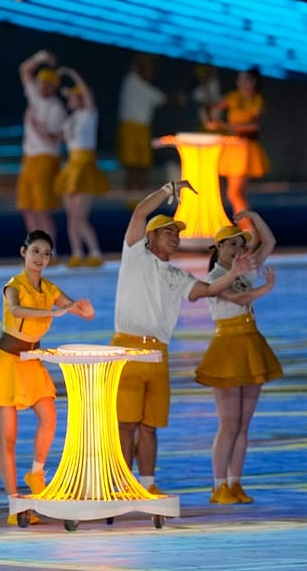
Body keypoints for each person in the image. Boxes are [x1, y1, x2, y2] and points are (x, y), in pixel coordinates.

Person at [111, 181, 254, 493]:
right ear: (150, 238)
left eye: (177, 234)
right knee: (125, 424)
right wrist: (168, 189)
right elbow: (140, 211)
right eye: (169, 232)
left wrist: (231, 274)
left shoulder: (178, 276)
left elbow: (206, 290)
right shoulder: (136, 255)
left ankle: (147, 485)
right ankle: (122, 484)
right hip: (127, 349)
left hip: (158, 353)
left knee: (150, 425)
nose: (176, 238)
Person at [0, 230, 94, 525]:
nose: (40, 258)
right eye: (35, 251)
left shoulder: (49, 287)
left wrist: (83, 309)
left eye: (46, 254)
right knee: (8, 438)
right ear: (24, 252)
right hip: (6, 364)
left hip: (32, 362)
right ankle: (14, 504)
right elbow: (15, 308)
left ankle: (36, 472)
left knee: (49, 415)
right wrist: (56, 311)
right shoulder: (14, 286)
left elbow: (75, 308)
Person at [195, 211, 281, 505]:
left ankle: (235, 483)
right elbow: (237, 298)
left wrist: (254, 217)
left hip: (250, 344)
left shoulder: (244, 272)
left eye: (240, 245)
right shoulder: (214, 278)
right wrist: (266, 289)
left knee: (244, 424)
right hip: (228, 348)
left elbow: (269, 241)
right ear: (218, 247)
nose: (237, 250)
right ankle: (218, 485)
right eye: (230, 244)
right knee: (229, 423)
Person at [54, 67, 108, 267]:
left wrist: (71, 74)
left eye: (73, 97)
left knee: (80, 216)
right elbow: (61, 138)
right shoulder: (69, 120)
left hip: (85, 165)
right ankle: (77, 252)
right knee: (71, 215)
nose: (70, 100)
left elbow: (87, 94)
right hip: (72, 166)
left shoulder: (89, 114)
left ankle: (95, 252)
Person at [205, 67, 269, 221]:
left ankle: (248, 225)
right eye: (240, 80)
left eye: (246, 80)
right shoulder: (233, 97)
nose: (241, 83)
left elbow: (255, 125)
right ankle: (247, 225)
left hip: (246, 147)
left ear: (253, 82)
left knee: (234, 192)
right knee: (235, 192)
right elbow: (211, 109)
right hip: (233, 147)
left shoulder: (257, 100)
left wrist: (229, 126)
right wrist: (213, 122)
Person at [17, 50, 66, 242]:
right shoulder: (35, 98)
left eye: (48, 84)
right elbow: (24, 69)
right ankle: (34, 247)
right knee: (27, 207)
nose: (43, 87)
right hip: (29, 159)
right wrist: (42, 57)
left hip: (46, 159)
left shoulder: (56, 108)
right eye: (41, 83)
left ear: (54, 87)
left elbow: (55, 140)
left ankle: (48, 250)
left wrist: (36, 128)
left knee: (42, 209)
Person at [116, 54, 168, 192]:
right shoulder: (131, 81)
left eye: (151, 70)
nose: (149, 72)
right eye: (146, 69)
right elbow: (137, 62)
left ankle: (140, 194)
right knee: (131, 163)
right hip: (129, 127)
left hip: (143, 129)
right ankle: (130, 193)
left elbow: (164, 100)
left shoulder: (150, 90)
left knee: (143, 163)